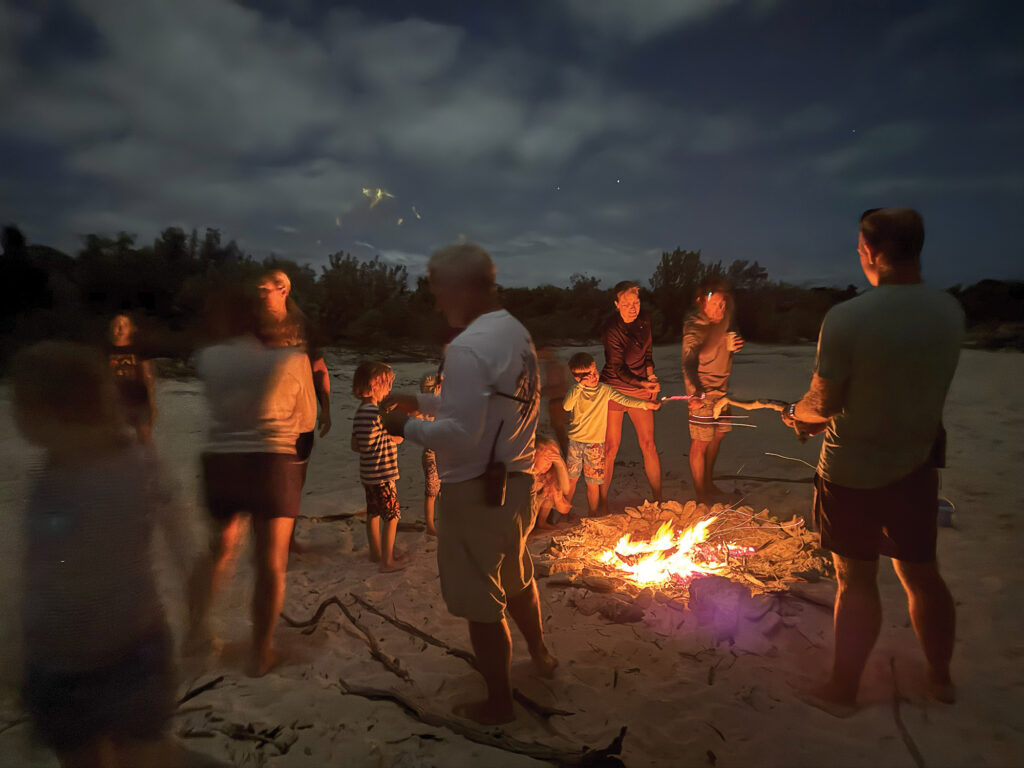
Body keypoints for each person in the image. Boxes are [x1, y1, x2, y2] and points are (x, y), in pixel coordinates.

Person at [781, 207, 964, 716]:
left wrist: (798, 417)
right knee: (922, 574)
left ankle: (843, 692)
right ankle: (940, 680)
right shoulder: (949, 312)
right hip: (918, 464)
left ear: (870, 251)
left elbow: (824, 403)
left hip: (852, 471)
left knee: (855, 581)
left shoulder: (847, 318)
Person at [382, 242, 557, 726]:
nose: (436, 299)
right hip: (518, 484)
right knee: (517, 578)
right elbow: (483, 405)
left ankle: (499, 704)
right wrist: (418, 398)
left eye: (438, 287)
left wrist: (404, 427)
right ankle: (541, 656)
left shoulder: (466, 347)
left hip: (477, 493)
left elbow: (460, 434)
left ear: (462, 287)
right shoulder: (514, 333)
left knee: (482, 602)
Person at [14, 341, 190, 768]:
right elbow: (184, 546)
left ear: (45, 411)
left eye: (19, 402)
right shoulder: (134, 464)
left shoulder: (66, 478)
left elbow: (39, 570)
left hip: (80, 656)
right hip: (128, 643)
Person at [186, 285, 316, 677]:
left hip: (221, 460)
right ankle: (261, 653)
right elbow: (306, 420)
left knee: (218, 549)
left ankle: (193, 634)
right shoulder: (291, 359)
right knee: (270, 562)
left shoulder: (208, 357)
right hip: (271, 460)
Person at [258, 269, 331, 552]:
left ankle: (287, 540)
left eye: (265, 289)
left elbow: (319, 369)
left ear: (283, 290)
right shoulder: (255, 328)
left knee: (294, 484)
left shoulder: (303, 326)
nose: (260, 294)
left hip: (303, 418)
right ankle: (269, 544)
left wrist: (326, 409)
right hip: (268, 420)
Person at [563, 352, 660, 517]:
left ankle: (593, 513)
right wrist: (580, 387)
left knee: (592, 483)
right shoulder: (575, 390)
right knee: (571, 479)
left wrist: (645, 404)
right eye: (589, 375)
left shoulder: (605, 390)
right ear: (578, 378)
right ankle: (564, 513)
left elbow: (625, 400)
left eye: (595, 371)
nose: (594, 376)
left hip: (595, 444)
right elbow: (566, 406)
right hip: (576, 442)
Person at [599, 281, 662, 512]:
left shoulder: (644, 320)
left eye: (635, 302)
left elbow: (648, 353)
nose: (632, 308)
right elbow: (617, 368)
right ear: (617, 305)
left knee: (648, 444)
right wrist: (644, 383)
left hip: (640, 386)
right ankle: (602, 502)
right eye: (626, 304)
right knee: (610, 448)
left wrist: (651, 378)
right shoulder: (611, 329)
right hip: (614, 389)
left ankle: (659, 499)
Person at [681, 280, 744, 503]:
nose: (719, 309)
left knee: (718, 435)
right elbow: (688, 363)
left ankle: (708, 484)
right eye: (714, 304)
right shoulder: (694, 326)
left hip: (722, 390)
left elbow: (727, 343)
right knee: (700, 442)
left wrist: (736, 344)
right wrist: (694, 394)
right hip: (703, 392)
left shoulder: (725, 321)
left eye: (722, 304)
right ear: (701, 302)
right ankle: (700, 495)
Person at [351, 361, 409, 572]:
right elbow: (371, 441)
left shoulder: (362, 411)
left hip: (369, 474)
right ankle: (387, 561)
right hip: (382, 474)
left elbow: (355, 444)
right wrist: (393, 435)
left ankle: (376, 553)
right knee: (392, 516)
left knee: (373, 513)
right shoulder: (373, 412)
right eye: (387, 385)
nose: (389, 389)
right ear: (375, 385)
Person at [107, 313, 157, 443]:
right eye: (117, 325)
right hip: (118, 403)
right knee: (119, 440)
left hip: (139, 400)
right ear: (112, 328)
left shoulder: (138, 350)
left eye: (125, 325)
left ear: (131, 329)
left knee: (144, 437)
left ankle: (149, 462)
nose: (120, 328)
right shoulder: (106, 351)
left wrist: (151, 401)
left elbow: (148, 376)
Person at [531, 435, 572, 530]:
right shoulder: (526, 473)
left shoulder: (550, 475)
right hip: (525, 514)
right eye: (546, 459)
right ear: (534, 455)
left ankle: (542, 522)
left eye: (551, 462)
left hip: (537, 513)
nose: (548, 464)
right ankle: (532, 527)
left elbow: (565, 508)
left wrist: (560, 464)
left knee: (550, 491)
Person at [420, 371, 442, 536]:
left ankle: (441, 521)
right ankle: (430, 525)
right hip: (431, 455)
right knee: (432, 492)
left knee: (442, 491)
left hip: (446, 455)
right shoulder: (424, 410)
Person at [537, 346, 569, 456]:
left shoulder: (554, 367)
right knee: (559, 430)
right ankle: (567, 455)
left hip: (557, 402)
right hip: (557, 401)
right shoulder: (554, 365)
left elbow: (560, 388)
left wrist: (541, 392)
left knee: (560, 431)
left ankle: (567, 456)